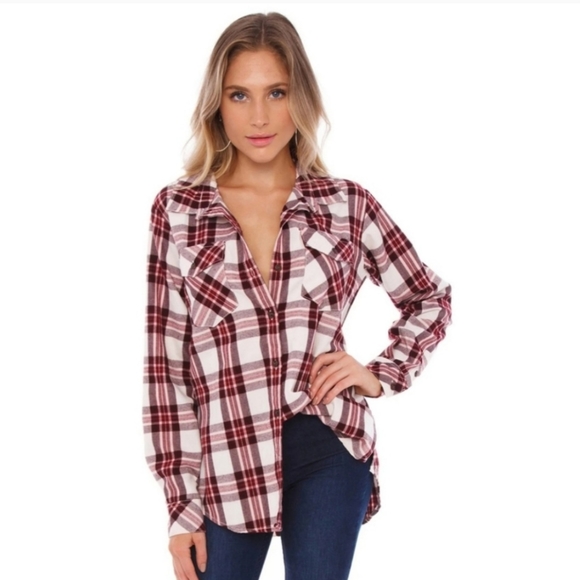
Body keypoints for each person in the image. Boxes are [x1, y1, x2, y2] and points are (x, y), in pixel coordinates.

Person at [143, 12, 451, 580]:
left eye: (277, 93)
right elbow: (167, 370)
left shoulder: (346, 205)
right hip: (228, 463)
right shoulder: (179, 210)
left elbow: (429, 297)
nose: (259, 117)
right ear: (217, 105)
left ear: (300, 98)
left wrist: (379, 373)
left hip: (327, 448)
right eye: (240, 95)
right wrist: (181, 507)